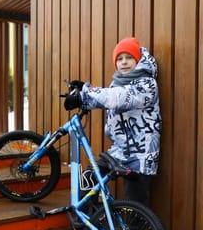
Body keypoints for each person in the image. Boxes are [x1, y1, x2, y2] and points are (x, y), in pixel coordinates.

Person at [64, 37, 161, 208]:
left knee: (135, 204)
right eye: (119, 59)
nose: (124, 62)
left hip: (141, 155)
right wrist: (83, 95)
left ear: (138, 60)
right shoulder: (117, 83)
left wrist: (86, 92)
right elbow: (105, 97)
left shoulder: (147, 84)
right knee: (89, 178)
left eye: (129, 58)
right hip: (119, 151)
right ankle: (89, 223)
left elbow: (119, 98)